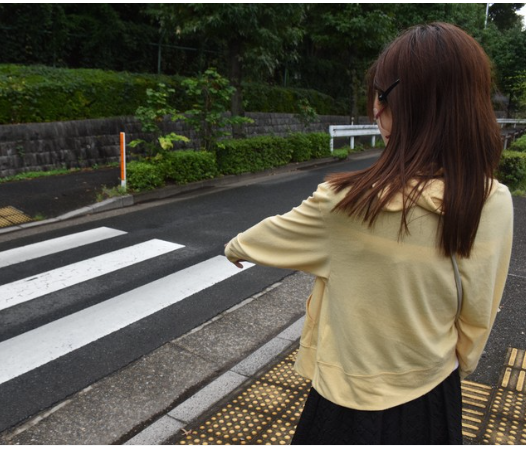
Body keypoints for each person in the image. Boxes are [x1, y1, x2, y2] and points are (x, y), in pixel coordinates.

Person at [224, 22, 513, 445]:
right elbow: (478, 314)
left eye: (383, 95)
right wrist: (453, 367)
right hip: (434, 395)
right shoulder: (492, 199)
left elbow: (269, 236)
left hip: (346, 398)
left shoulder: (345, 203)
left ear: (407, 104)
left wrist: (235, 247)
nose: (375, 109)